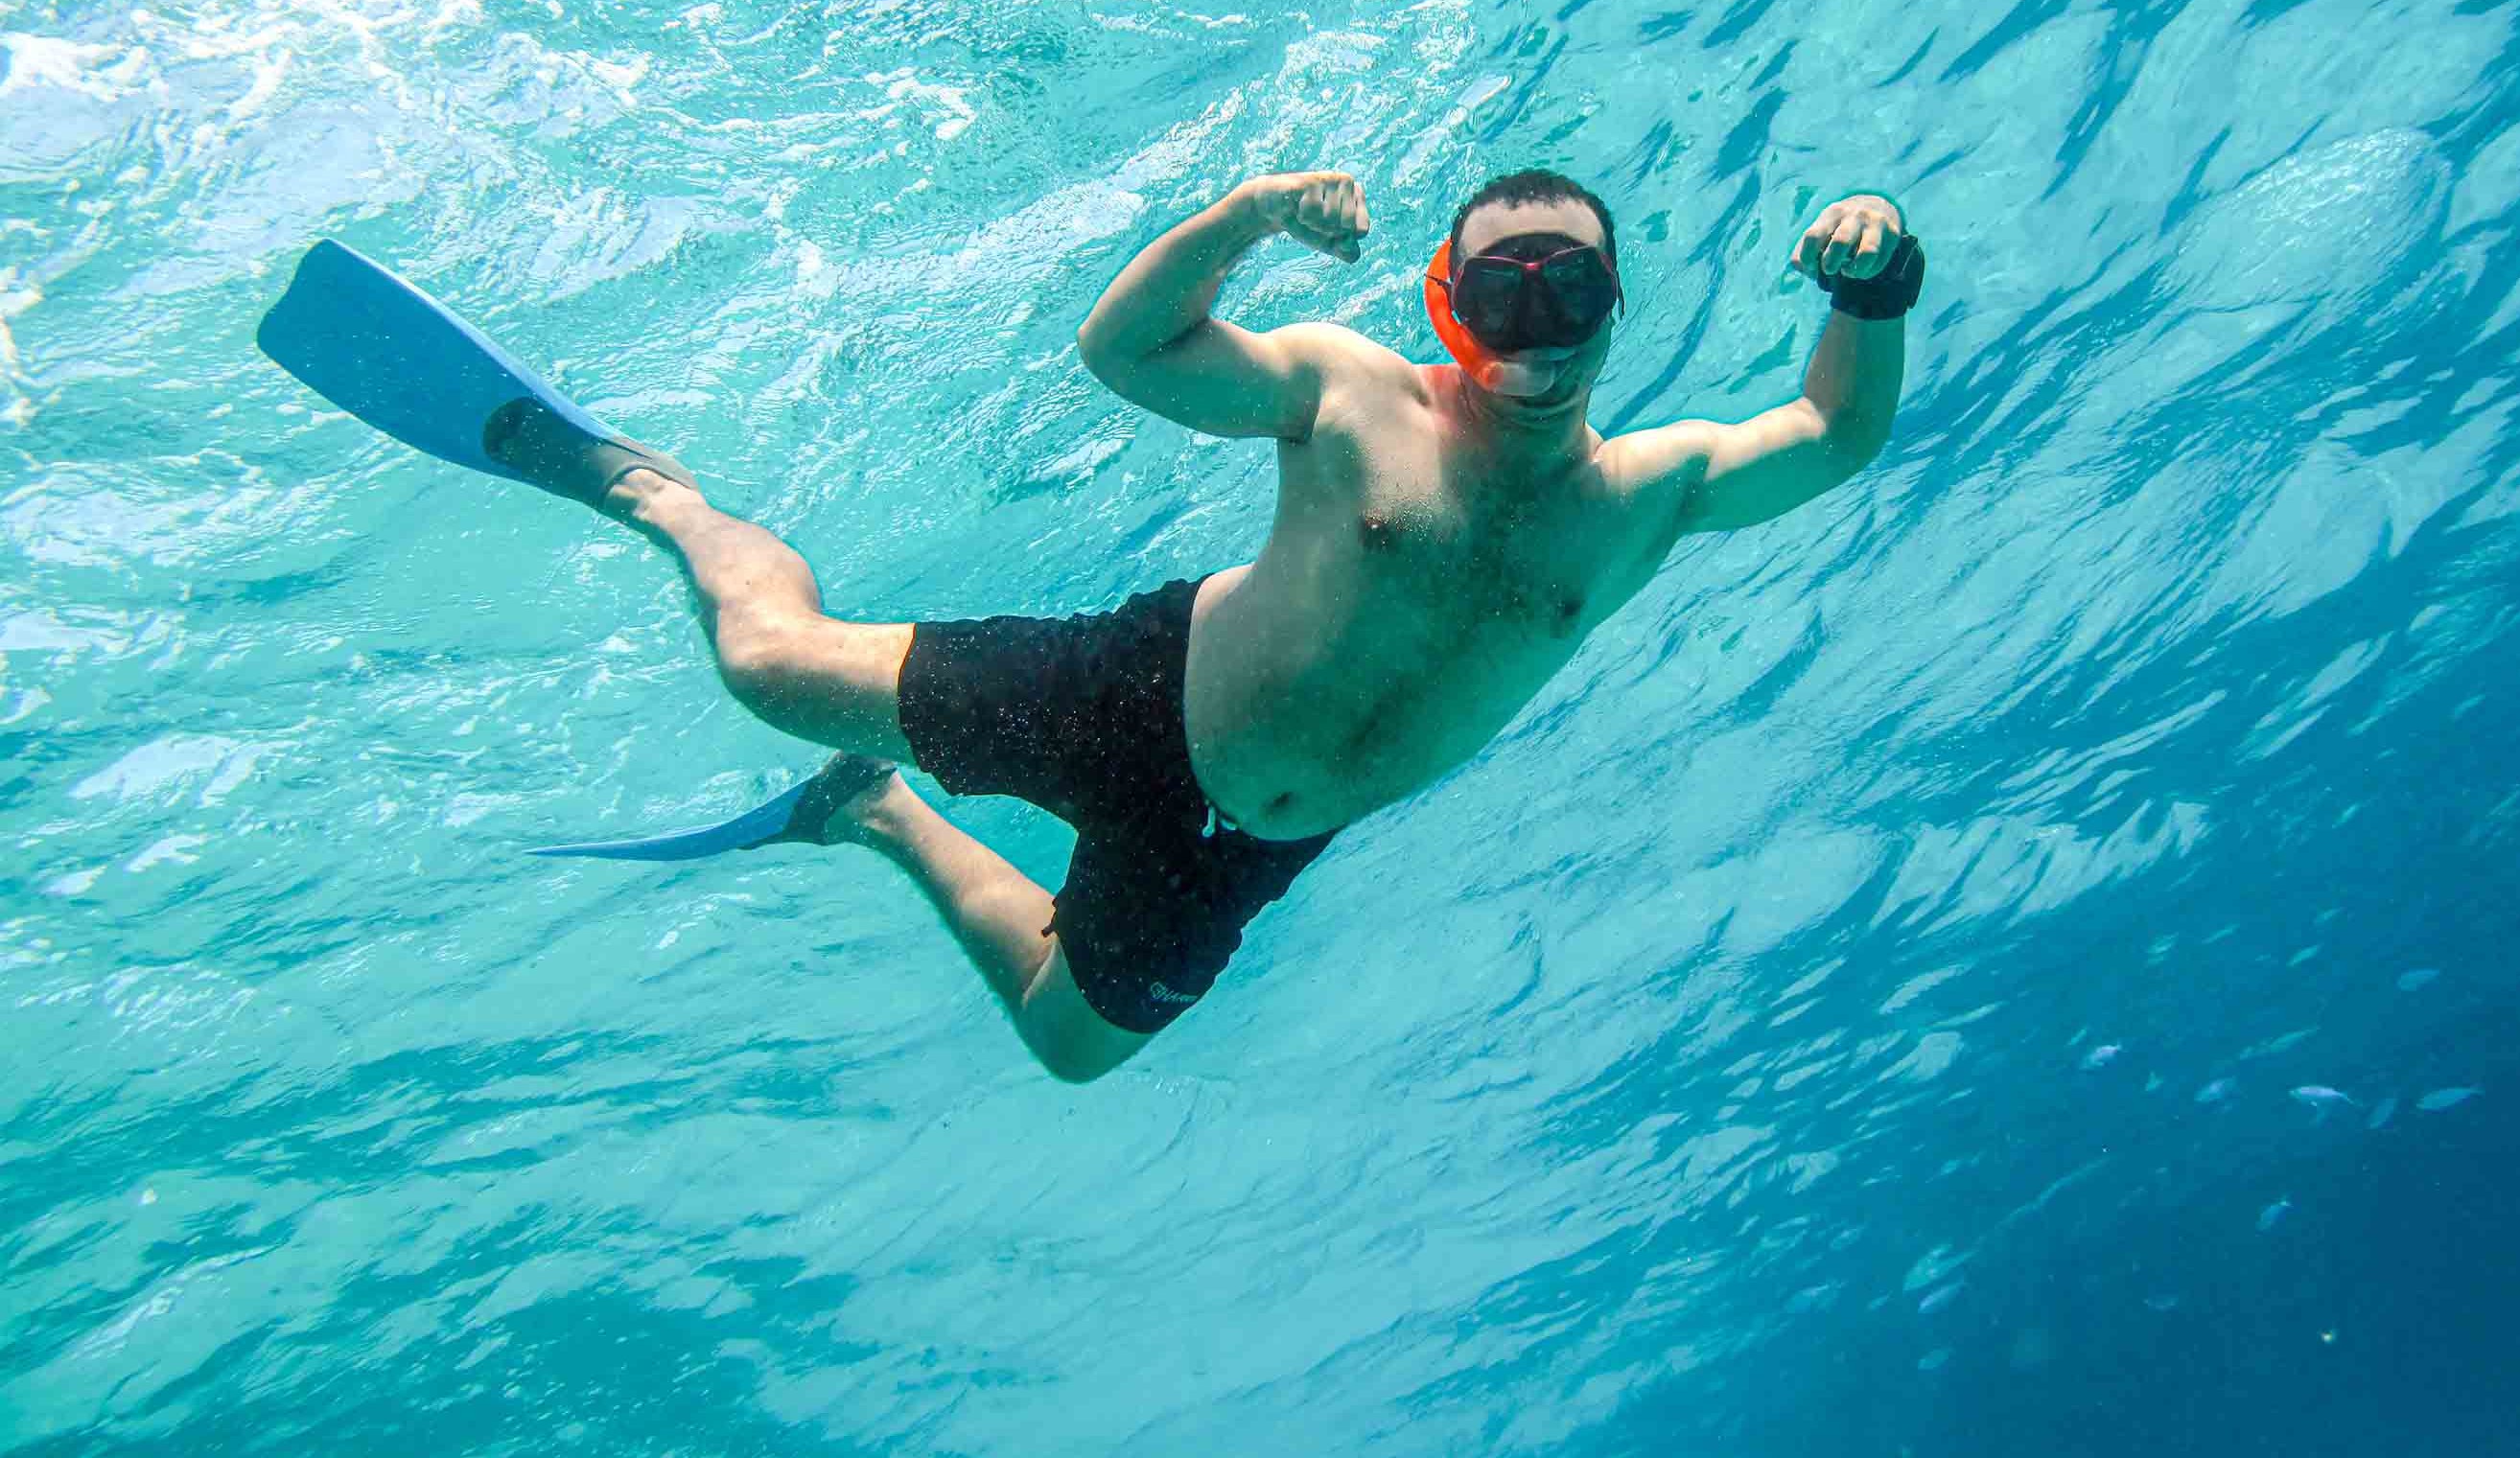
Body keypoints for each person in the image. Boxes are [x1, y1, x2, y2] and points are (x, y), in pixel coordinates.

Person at [260, 170, 1922, 1081]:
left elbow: (1835, 434)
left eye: (1570, 287)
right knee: (772, 669)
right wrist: (1252, 214)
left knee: (1070, 1047)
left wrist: (1873, 292)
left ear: (1617, 311)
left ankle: (884, 823)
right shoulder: (1354, 387)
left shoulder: (1654, 490)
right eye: (1504, 286)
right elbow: (1124, 355)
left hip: (1248, 848)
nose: (1538, 323)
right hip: (1127, 696)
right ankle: (653, 496)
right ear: (1445, 301)